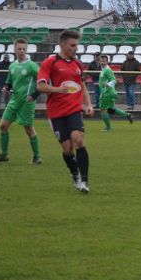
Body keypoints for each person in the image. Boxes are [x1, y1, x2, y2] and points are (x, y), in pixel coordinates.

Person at [37, 30, 94, 194]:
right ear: (62, 45)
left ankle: (84, 181)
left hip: (74, 110)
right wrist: (58, 89)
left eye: (77, 45)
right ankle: (75, 174)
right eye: (73, 45)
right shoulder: (50, 63)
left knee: (78, 140)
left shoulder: (77, 65)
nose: (76, 48)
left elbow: (82, 86)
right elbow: (40, 86)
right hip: (56, 113)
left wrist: (88, 104)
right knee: (67, 149)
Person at [0, 39, 42, 164]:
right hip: (14, 100)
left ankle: (37, 157)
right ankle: (3, 154)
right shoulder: (12, 66)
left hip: (27, 102)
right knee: (3, 126)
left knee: (29, 129)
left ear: (27, 50)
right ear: (15, 50)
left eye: (24, 49)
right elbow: (9, 82)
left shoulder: (32, 66)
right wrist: (6, 88)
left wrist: (34, 95)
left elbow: (43, 82)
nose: (22, 51)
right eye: (19, 49)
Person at [97, 55, 134, 131]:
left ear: (107, 62)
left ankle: (108, 128)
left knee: (103, 109)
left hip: (107, 93)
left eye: (104, 61)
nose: (102, 62)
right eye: (101, 61)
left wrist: (107, 85)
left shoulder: (107, 70)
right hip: (110, 93)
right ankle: (127, 115)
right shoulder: (104, 70)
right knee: (111, 110)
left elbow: (114, 80)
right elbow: (104, 80)